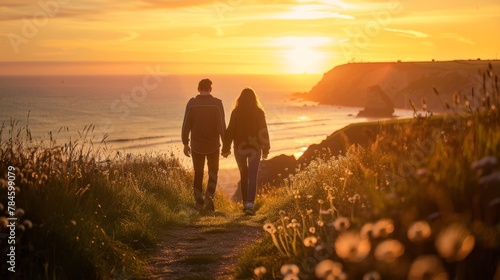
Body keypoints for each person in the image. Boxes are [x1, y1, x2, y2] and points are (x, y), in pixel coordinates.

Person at [221, 88, 270, 216]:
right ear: (254, 99)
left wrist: (225, 149)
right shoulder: (259, 112)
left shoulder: (236, 112)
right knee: (252, 177)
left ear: (240, 98)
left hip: (239, 149)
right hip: (255, 149)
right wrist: (266, 149)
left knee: (244, 175)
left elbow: (230, 130)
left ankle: (245, 204)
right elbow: (263, 131)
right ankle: (250, 205)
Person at [181, 79, 226, 212]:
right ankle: (209, 198)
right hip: (213, 145)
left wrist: (185, 143)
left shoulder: (192, 103)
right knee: (213, 172)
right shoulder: (217, 104)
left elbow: (186, 125)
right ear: (210, 89)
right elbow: (222, 126)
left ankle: (198, 201)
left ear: (198, 88)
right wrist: (226, 146)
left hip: (196, 146)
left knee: (198, 173)